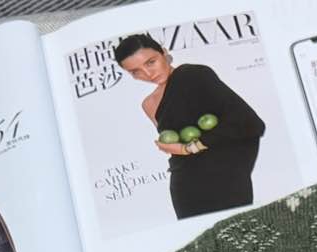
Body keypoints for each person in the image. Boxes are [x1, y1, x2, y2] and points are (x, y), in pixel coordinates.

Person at [114, 33, 266, 219]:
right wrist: (173, 148)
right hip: (185, 185)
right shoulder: (149, 104)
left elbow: (248, 122)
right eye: (136, 71)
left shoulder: (193, 75)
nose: (148, 74)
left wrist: (188, 148)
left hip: (225, 177)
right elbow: (175, 143)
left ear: (164, 52)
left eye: (151, 62)